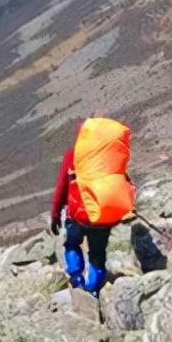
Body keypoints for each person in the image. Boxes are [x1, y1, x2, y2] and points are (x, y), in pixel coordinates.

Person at [49, 117, 136, 296]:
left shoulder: (72, 156)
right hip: (102, 217)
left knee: (72, 244)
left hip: (77, 215)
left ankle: (77, 280)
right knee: (97, 253)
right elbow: (121, 182)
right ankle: (94, 289)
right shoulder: (109, 157)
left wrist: (55, 215)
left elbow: (61, 188)